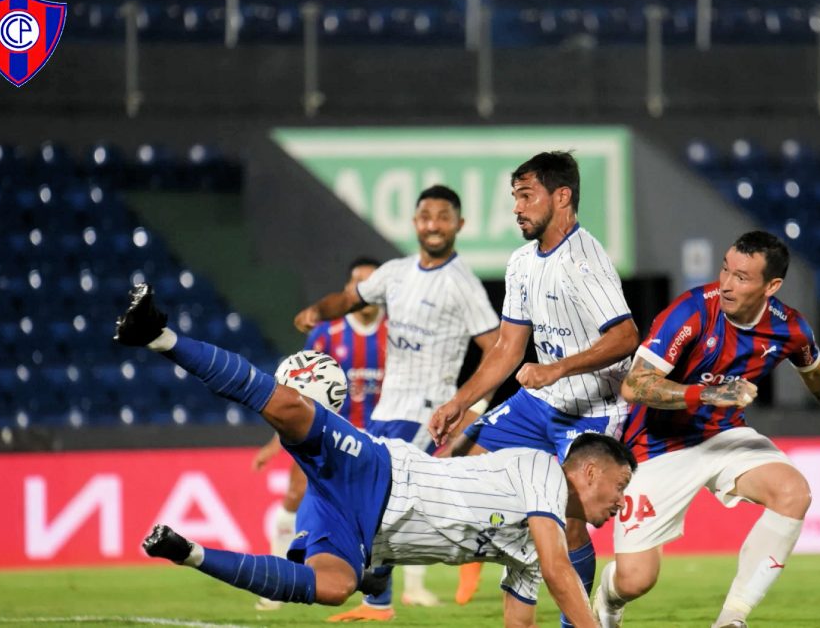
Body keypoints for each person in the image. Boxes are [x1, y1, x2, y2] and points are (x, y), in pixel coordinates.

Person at [114, 283, 634, 628]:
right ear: (590, 470)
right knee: (290, 410)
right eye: (620, 487)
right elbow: (560, 572)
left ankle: (189, 553)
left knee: (335, 586)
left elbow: (520, 619)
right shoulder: (542, 470)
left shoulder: (524, 553)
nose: (620, 503)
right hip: (381, 473)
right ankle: (160, 336)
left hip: (365, 531)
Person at [591, 230, 820, 628]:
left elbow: (817, 375)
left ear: (771, 286)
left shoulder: (790, 329)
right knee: (636, 580)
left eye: (741, 277)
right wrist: (708, 394)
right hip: (656, 445)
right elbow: (635, 385)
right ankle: (609, 599)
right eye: (725, 269)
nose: (726, 282)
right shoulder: (692, 310)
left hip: (724, 437)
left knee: (794, 492)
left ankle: (731, 619)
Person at [428, 151, 640, 628]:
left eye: (527, 196)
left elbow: (627, 336)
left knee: (568, 520)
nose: (517, 208)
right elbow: (506, 347)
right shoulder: (522, 262)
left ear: (561, 196)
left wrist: (557, 369)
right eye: (515, 197)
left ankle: (577, 622)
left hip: (591, 408)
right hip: (539, 402)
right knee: (457, 462)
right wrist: (458, 402)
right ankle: (504, 570)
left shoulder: (586, 260)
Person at [294, 184, 500, 617]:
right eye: (426, 215)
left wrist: (474, 408)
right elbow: (349, 299)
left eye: (444, 216)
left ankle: (479, 547)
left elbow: (499, 349)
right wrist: (319, 310)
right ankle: (377, 597)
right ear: (415, 222)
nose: (434, 224)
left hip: (428, 411)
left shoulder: (463, 285)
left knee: (382, 492)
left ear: (459, 225)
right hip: (385, 410)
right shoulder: (394, 273)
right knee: (365, 490)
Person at [251, 257, 386, 611]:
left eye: (373, 285)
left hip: (377, 441)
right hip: (323, 436)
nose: (366, 293)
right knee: (296, 493)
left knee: (388, 510)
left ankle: (407, 590)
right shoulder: (327, 334)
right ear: (348, 290)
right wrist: (273, 443)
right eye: (359, 284)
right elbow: (296, 395)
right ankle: (275, 580)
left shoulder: (397, 333)